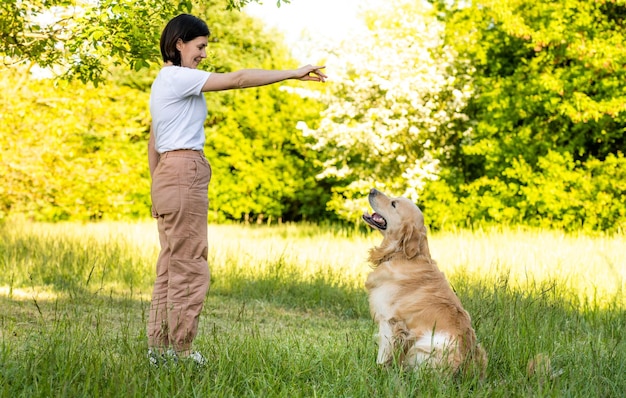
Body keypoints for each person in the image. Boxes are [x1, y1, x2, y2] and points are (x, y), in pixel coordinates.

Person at [146, 13, 326, 366]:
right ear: (179, 44)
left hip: (168, 174)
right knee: (191, 264)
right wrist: (291, 73)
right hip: (184, 172)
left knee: (170, 264)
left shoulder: (162, 82)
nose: (203, 55)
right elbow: (240, 79)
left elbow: (153, 142)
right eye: (200, 47)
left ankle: (160, 349)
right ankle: (181, 351)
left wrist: (156, 188)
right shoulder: (180, 77)